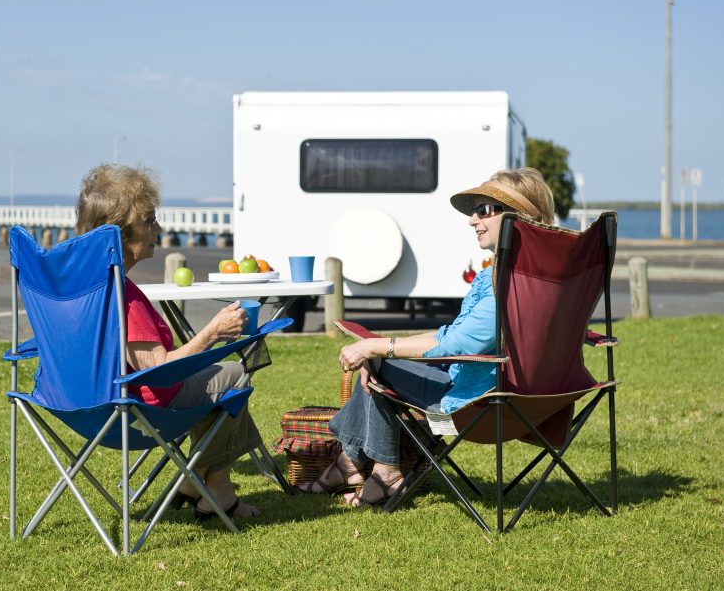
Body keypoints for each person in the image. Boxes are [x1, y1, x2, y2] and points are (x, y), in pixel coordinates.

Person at [298, 167, 556, 507]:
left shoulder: (507, 282)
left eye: (483, 210)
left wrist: (378, 348)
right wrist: (383, 348)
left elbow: (460, 344)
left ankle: (371, 468)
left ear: (516, 218)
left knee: (378, 364)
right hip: (543, 400)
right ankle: (361, 467)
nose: (472, 220)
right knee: (379, 360)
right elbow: (457, 334)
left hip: (485, 405)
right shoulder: (546, 278)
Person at [74, 164, 263, 519]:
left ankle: (206, 486)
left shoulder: (85, 288)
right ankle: (206, 485)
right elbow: (159, 371)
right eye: (149, 220)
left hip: (80, 405)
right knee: (235, 375)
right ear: (121, 232)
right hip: (139, 408)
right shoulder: (121, 295)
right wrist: (214, 332)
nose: (158, 229)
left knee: (217, 377)